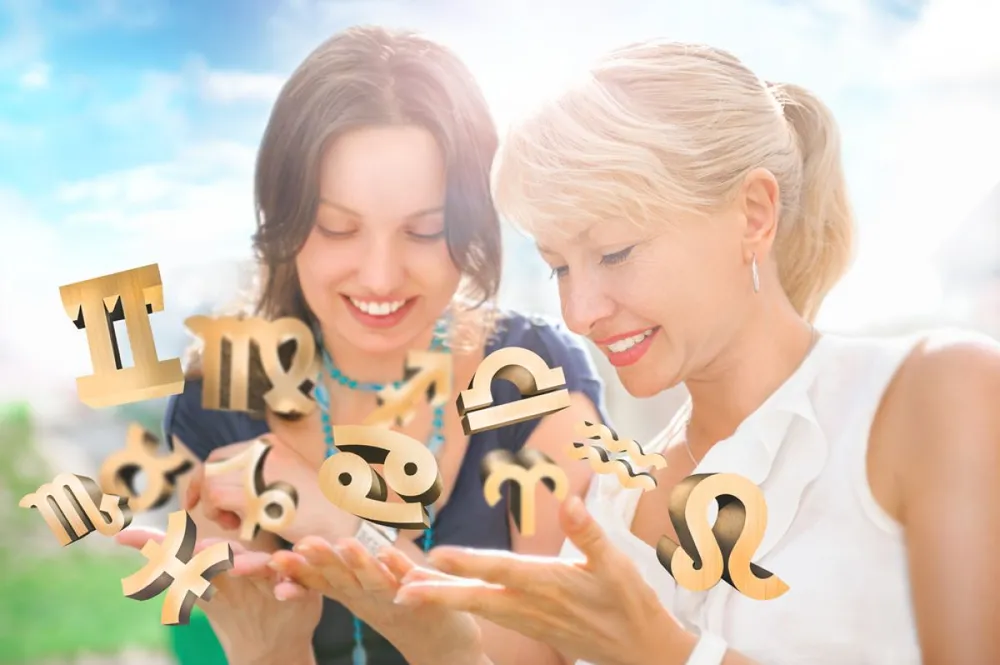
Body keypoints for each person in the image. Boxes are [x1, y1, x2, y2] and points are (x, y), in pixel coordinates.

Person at [352, 39, 999, 665]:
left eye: (614, 253)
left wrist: (664, 653)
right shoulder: (615, 495)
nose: (580, 313)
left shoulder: (937, 396)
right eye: (558, 267)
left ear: (752, 213)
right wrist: (384, 578)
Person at [117, 25, 608, 665]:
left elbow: (549, 653)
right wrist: (272, 646)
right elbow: (221, 646)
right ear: (284, 222)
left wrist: (349, 528)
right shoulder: (216, 399)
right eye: (338, 228)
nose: (379, 276)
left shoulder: (534, 380)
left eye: (425, 231)